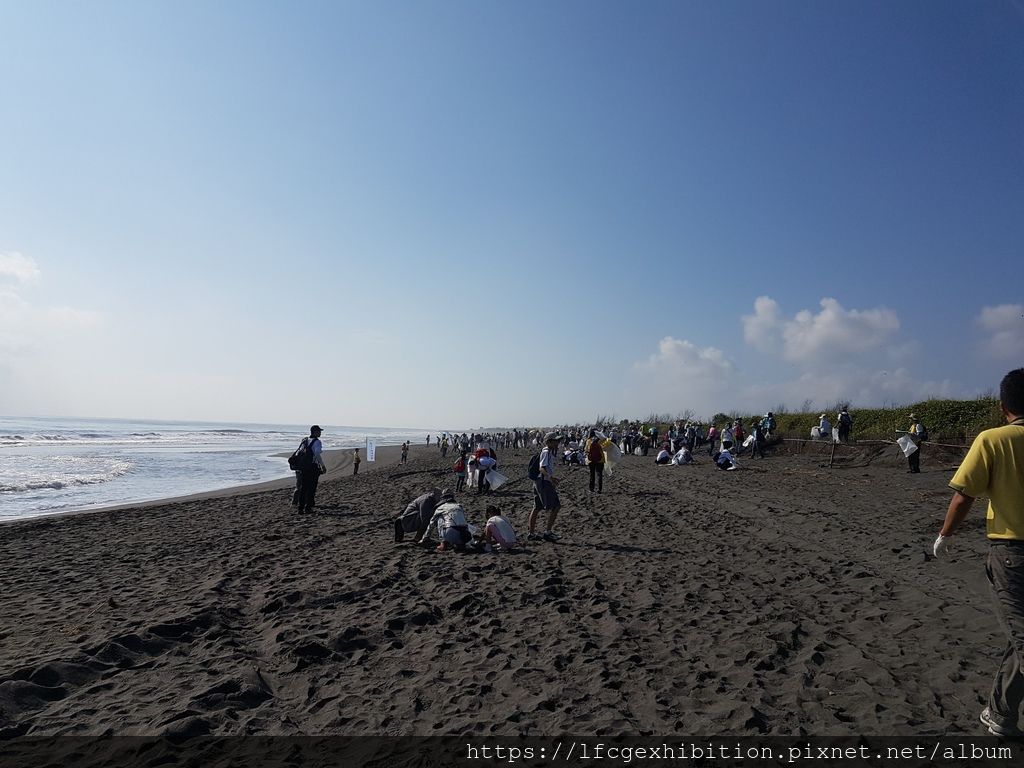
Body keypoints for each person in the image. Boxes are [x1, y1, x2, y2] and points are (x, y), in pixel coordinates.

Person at [933, 369, 1024, 738]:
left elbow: (964, 495)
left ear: (1004, 407)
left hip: (1011, 553)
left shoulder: (993, 439)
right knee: (1016, 637)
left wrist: (945, 535)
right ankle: (1001, 715)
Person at [529, 432, 562, 542]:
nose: (557, 443)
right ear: (549, 442)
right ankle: (547, 532)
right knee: (556, 506)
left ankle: (531, 533)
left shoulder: (548, 452)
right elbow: (541, 468)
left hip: (540, 481)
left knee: (537, 507)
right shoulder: (546, 452)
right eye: (555, 441)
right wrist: (551, 478)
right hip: (543, 482)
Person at [293, 425, 326, 513]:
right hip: (312, 467)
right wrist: (322, 465)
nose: (320, 433)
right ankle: (308, 507)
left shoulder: (305, 440)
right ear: (315, 432)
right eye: (319, 431)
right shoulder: (317, 442)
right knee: (311, 488)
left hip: (303, 467)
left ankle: (300, 508)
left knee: (303, 488)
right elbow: (317, 454)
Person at [585, 429, 605, 493]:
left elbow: (586, 450)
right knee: (599, 475)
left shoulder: (588, 441)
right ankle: (599, 489)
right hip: (600, 460)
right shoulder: (601, 441)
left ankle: (591, 489)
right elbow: (606, 447)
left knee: (592, 474)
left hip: (591, 460)